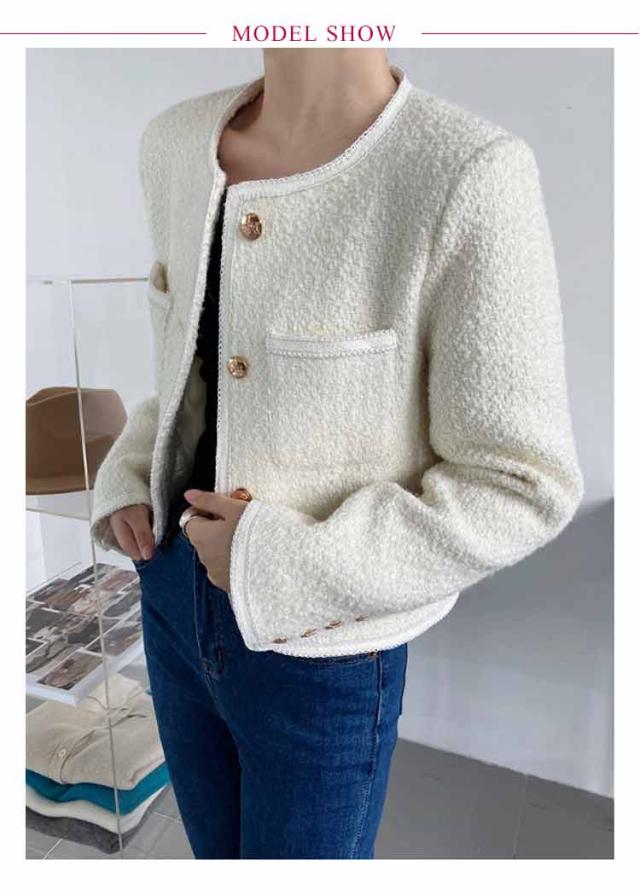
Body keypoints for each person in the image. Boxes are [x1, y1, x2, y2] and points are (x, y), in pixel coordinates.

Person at [90, 48, 584, 858]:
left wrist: (287, 562)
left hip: (325, 645)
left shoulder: (467, 171)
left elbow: (522, 484)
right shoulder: (174, 143)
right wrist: (131, 471)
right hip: (170, 595)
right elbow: (190, 374)